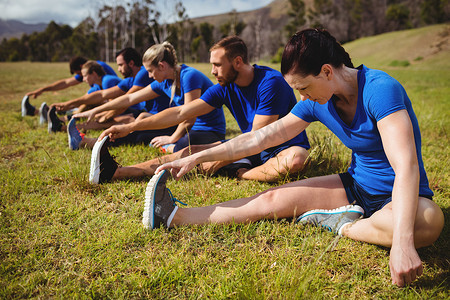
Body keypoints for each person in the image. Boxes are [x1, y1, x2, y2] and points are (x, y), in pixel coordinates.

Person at [142, 29, 444, 287]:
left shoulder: (380, 90)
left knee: (429, 221)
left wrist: (403, 244)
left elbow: (405, 166)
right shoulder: (317, 102)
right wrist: (199, 157)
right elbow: (260, 137)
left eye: (303, 87)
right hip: (355, 186)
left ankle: (342, 225)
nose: (302, 97)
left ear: (326, 71)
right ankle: (175, 216)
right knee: (271, 201)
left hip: (399, 196)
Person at [88, 36, 310, 184]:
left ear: (238, 62)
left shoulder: (270, 83)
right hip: (247, 147)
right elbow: (181, 113)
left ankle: (242, 173)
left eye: (217, 65)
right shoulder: (225, 86)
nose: (212, 71)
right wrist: (131, 126)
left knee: (296, 160)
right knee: (188, 152)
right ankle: (116, 172)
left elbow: (257, 138)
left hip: (276, 149)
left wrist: (217, 156)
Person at [72, 42, 226, 154]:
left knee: (181, 145)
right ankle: (92, 142)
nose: (150, 76)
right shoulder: (164, 82)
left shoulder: (189, 76)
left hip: (209, 130)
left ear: (162, 66)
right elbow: (130, 99)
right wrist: (96, 110)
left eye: (151, 71)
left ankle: (172, 148)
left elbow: (189, 117)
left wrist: (172, 138)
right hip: (184, 127)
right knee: (142, 130)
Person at [21, 56, 117, 120]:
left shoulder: (100, 73)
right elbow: (66, 83)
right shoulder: (90, 73)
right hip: (102, 100)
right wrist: (42, 90)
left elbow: (111, 100)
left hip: (109, 101)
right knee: (80, 102)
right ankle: (45, 113)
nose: (82, 79)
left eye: (81, 75)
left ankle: (51, 116)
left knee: (84, 100)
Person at [47, 60, 122, 133]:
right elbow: (84, 100)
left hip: (126, 111)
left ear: (94, 74)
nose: (83, 79)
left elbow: (115, 107)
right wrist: (66, 105)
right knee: (89, 107)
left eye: (85, 76)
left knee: (103, 120)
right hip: (121, 110)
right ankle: (61, 122)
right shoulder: (97, 86)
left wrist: (100, 115)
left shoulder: (107, 81)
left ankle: (61, 127)